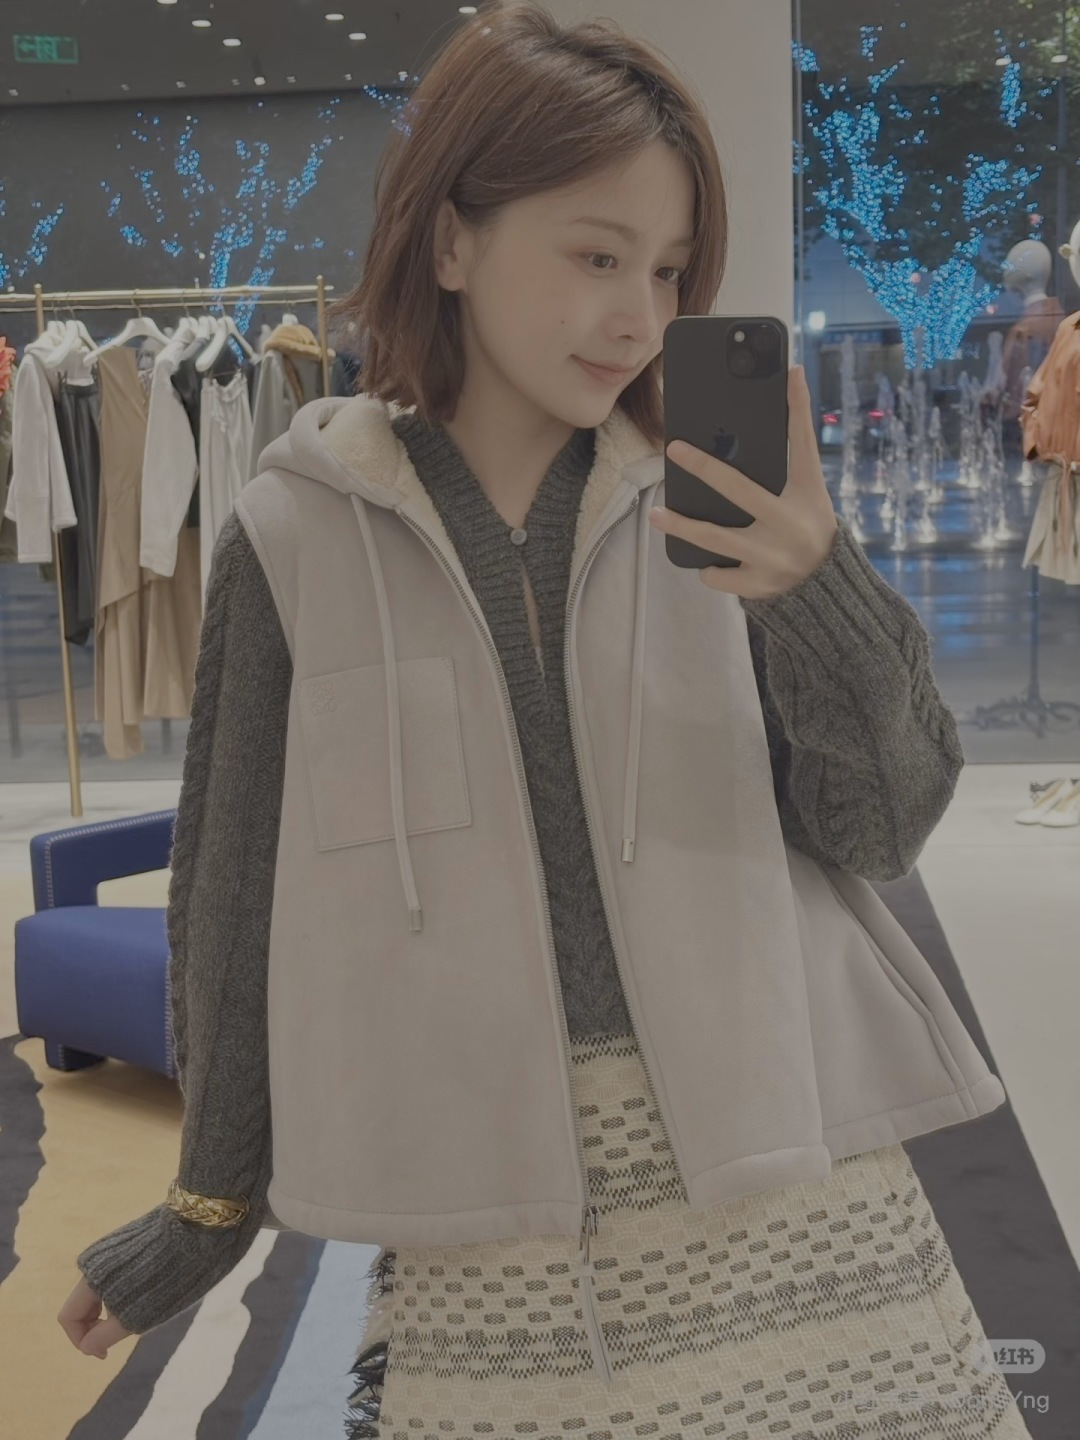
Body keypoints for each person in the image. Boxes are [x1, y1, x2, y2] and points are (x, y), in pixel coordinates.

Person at [60, 5, 1032, 1437]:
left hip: (794, 1189)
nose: (641, 315)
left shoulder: (725, 498)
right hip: (489, 1222)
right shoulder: (291, 536)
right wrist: (204, 1213)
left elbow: (883, 826)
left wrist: (815, 590)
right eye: (595, 256)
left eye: (669, 268)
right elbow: (230, 897)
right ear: (452, 241)